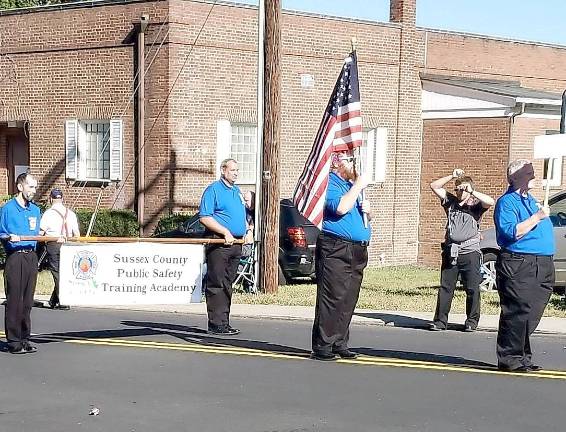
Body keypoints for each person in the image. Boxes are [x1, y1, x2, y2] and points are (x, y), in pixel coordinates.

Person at [494, 159, 554, 372]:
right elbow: (512, 232)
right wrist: (537, 217)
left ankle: (523, 356)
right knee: (517, 311)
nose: (534, 176)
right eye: (529, 173)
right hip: (519, 263)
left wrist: (540, 213)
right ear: (514, 178)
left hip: (543, 264)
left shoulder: (532, 200)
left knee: (532, 312)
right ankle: (510, 358)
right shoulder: (507, 202)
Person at [311, 150, 371, 361]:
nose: (353, 163)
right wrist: (358, 186)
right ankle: (323, 345)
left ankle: (339, 342)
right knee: (333, 296)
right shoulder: (330, 183)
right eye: (349, 159)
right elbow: (340, 208)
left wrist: (367, 208)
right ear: (336, 163)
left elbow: (358, 213)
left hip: (357, 248)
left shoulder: (350, 185)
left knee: (348, 298)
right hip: (336, 247)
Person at [429, 169, 494, 332]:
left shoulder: (476, 206)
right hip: (451, 251)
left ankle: (471, 321)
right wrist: (452, 176)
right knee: (446, 288)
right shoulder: (450, 202)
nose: (459, 192)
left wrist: (472, 191)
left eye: (462, 189)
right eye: (457, 189)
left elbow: (490, 202)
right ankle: (440, 321)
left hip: (470, 252)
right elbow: (434, 185)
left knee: (472, 288)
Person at [199, 158, 247, 335]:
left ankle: (224, 321)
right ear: (223, 170)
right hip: (219, 242)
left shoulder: (236, 191)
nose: (236, 173)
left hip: (236, 243)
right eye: (233, 170)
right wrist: (224, 231)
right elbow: (204, 216)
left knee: (227, 283)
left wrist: (247, 229)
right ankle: (216, 323)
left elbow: (242, 215)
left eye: (237, 170)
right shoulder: (213, 190)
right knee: (217, 283)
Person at [0, 173, 41, 354]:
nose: (33, 191)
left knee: (27, 302)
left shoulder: (35, 210)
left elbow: (38, 234)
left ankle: (25, 338)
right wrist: (10, 237)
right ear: (20, 187)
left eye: (35, 187)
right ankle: (14, 341)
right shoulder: (8, 209)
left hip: (31, 257)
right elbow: (1, 233)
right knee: (15, 300)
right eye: (30, 187)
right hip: (15, 257)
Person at [39, 188, 81, 310]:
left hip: (54, 244)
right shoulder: (71, 213)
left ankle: (63, 300)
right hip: (69, 245)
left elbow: (41, 233)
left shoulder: (48, 214)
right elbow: (77, 234)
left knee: (57, 272)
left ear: (51, 199)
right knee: (64, 273)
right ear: (62, 199)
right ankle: (53, 300)